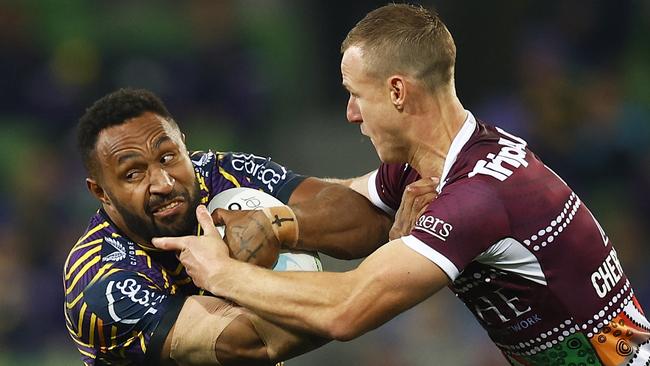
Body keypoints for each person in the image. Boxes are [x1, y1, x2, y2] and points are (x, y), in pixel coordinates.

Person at [153, 4, 650, 366]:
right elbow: (343, 198)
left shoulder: (479, 197)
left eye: (354, 95)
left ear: (396, 92)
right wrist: (261, 212)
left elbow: (345, 312)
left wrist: (221, 274)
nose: (350, 114)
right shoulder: (436, 166)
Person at [63, 88, 396, 365]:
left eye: (168, 157)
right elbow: (254, 343)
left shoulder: (223, 175)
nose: (163, 182)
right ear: (101, 192)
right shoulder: (99, 282)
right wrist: (390, 280)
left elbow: (364, 222)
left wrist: (277, 224)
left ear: (183, 144)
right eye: (133, 174)